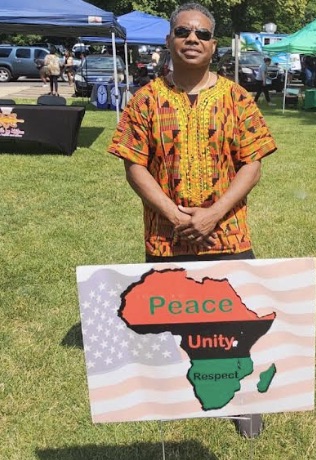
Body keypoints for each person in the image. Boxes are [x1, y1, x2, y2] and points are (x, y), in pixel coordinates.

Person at [108, 2, 277, 439]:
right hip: (167, 236)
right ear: (169, 40)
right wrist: (172, 213)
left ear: (214, 45)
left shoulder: (237, 98)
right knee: (175, 323)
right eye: (183, 31)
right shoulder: (145, 99)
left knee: (239, 321)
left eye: (202, 34)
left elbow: (252, 163)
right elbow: (134, 164)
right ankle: (178, 395)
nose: (192, 39)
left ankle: (242, 401)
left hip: (229, 233)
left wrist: (215, 213)